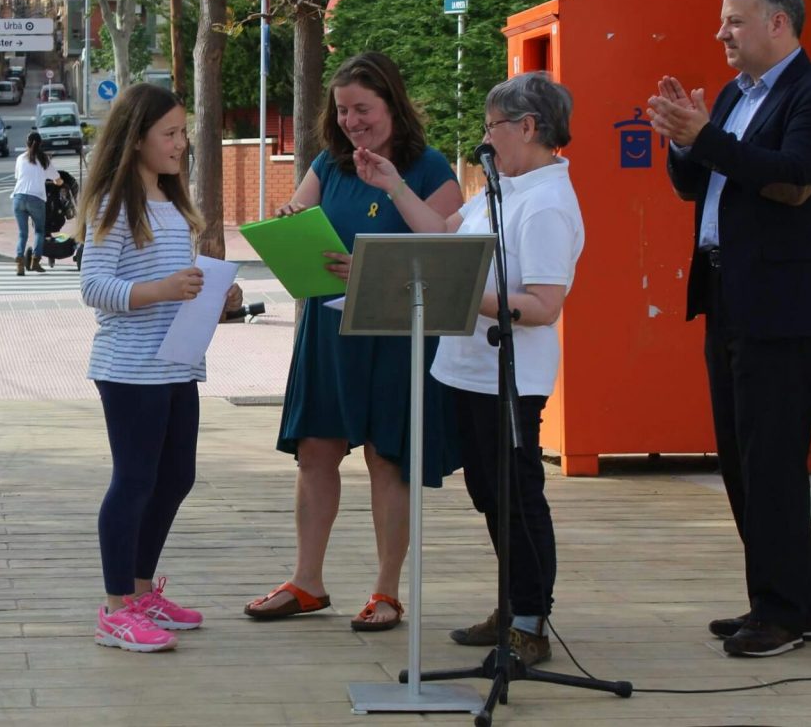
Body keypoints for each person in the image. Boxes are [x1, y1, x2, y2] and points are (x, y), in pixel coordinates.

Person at [647, 0, 811, 657]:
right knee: (739, 459)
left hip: (784, 304)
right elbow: (698, 186)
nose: (722, 34)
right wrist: (684, 141)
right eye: (723, 21)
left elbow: (791, 180)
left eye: (735, 21)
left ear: (778, 23)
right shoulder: (737, 93)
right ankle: (784, 599)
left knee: (771, 461)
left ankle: (783, 611)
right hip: (726, 292)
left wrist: (706, 136)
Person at [353, 72, 584, 666]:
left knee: (516, 496)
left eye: (492, 126)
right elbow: (443, 234)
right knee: (489, 493)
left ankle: (530, 621)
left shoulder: (546, 203)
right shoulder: (500, 190)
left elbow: (544, 305)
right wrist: (394, 184)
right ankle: (511, 605)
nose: (485, 139)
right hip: (466, 369)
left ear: (527, 128)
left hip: (509, 377)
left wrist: (454, 293)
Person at [244, 52, 463, 632]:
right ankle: (306, 582)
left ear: (393, 104)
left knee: (387, 457)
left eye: (363, 109)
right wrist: (290, 220)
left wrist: (371, 259)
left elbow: (443, 249)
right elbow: (302, 214)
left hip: (395, 334)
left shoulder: (429, 168)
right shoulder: (329, 163)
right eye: (342, 111)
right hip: (329, 329)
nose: (351, 122)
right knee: (315, 451)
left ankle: (386, 591)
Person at [80, 83, 235, 653]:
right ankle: (115, 608)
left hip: (176, 363)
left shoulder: (172, 200)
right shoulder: (113, 204)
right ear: (135, 138)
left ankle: (142, 592)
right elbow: (94, 287)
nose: (180, 143)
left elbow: (176, 282)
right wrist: (163, 289)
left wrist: (217, 295)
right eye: (169, 133)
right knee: (134, 481)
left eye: (182, 132)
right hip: (130, 368)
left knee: (175, 478)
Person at [12, 131, 62, 275]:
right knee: (39, 231)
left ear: (26, 144)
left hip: (18, 197)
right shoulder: (44, 159)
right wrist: (59, 182)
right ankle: (35, 261)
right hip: (36, 199)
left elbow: (18, 176)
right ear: (41, 144)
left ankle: (20, 264)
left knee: (22, 233)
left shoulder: (20, 158)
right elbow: (57, 179)